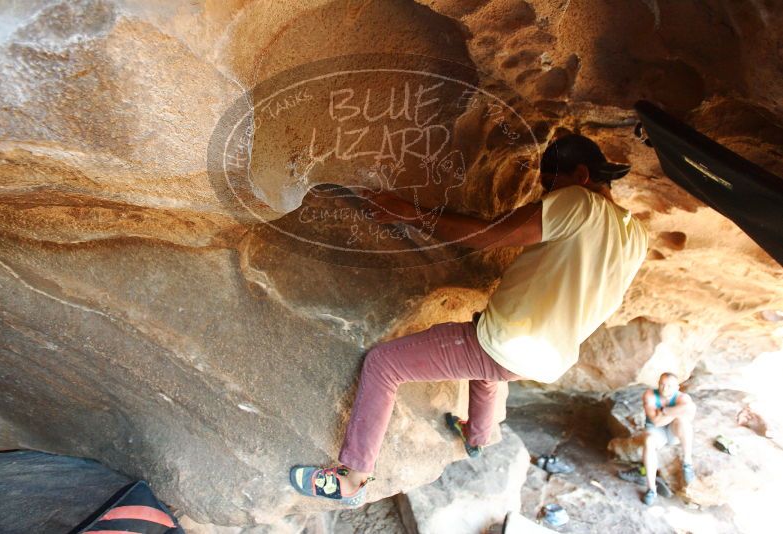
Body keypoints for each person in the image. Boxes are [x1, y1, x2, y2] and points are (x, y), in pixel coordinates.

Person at [290, 134, 649, 506]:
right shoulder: (636, 234)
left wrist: (411, 212)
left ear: (582, 175)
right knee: (489, 365)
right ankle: (476, 438)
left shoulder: (579, 202)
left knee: (385, 365)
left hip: (509, 344)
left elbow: (490, 236)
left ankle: (352, 479)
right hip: (552, 357)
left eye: (549, 185)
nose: (545, 194)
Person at [620, 372, 697, 505]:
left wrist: (664, 411)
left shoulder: (682, 397)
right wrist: (677, 411)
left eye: (669, 386)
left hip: (673, 431)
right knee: (649, 442)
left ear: (677, 387)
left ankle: (687, 463)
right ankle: (651, 489)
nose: (665, 389)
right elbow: (656, 422)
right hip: (656, 431)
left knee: (684, 424)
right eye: (662, 385)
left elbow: (691, 409)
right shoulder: (650, 395)